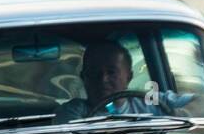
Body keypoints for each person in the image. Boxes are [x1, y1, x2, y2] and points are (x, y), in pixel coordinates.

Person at [55, 39, 192, 123]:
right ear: (84, 77)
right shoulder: (74, 112)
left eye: (111, 72)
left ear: (129, 77)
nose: (103, 79)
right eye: (94, 72)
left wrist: (176, 116)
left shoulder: (153, 102)